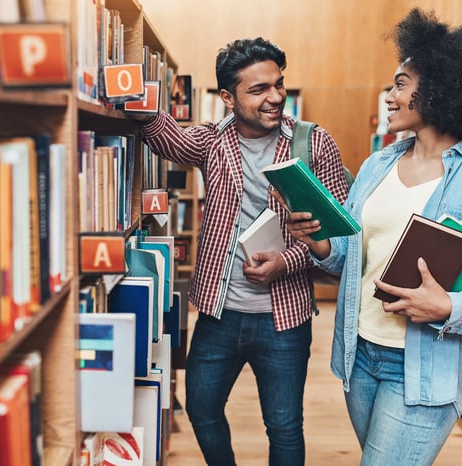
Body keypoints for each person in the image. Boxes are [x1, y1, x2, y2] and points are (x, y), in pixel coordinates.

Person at [279, 9, 462, 465]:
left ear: (440, 90)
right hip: (359, 356)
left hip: (425, 368)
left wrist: (450, 307)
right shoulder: (376, 166)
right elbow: (353, 257)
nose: (389, 96)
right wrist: (320, 241)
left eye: (401, 85)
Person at [135, 37, 349, 465]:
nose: (274, 97)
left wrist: (286, 261)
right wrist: (134, 94)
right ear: (228, 98)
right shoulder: (212, 141)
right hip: (219, 313)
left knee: (285, 426)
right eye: (258, 90)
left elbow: (339, 237)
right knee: (201, 408)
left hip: (284, 318)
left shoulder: (313, 144)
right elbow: (166, 138)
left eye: (278, 84)